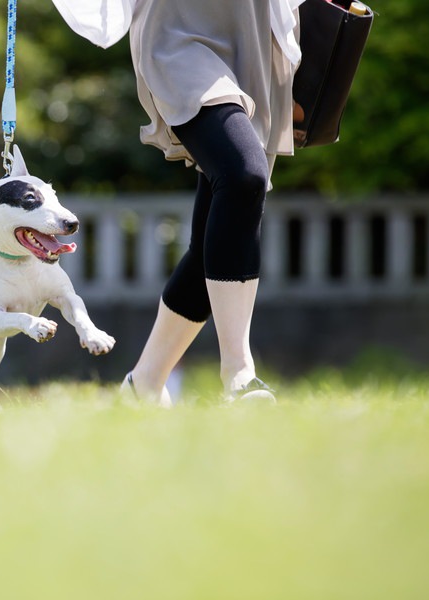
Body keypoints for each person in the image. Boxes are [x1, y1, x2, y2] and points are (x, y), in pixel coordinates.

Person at [51, 0, 305, 404]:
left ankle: (144, 384)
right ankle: (239, 372)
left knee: (216, 236)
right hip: (177, 29)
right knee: (243, 175)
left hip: (255, 30)